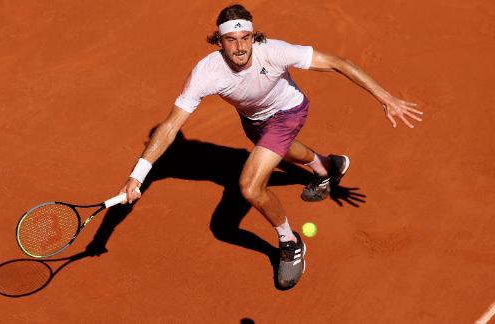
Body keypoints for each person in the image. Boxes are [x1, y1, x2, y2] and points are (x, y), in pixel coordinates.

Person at [119, 4, 422, 289]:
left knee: (250, 187)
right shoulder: (206, 73)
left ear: (253, 36)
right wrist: (138, 176)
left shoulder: (273, 51)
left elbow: (338, 63)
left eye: (245, 38)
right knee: (284, 150)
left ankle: (290, 242)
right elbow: (171, 126)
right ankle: (327, 167)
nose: (240, 47)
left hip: (288, 112)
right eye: (230, 40)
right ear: (219, 42)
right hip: (253, 121)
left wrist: (386, 98)